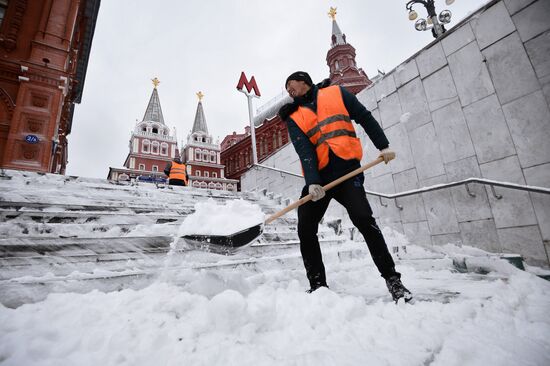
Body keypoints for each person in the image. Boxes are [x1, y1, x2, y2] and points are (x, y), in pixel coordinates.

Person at [278, 71, 412, 303]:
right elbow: (305, 151)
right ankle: (318, 285)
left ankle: (393, 280)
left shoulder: (336, 93)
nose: (289, 90)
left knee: (364, 220)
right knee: (305, 226)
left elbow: (364, 117)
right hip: (320, 178)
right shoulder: (294, 116)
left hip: (348, 171)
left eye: (291, 84)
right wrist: (312, 183)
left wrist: (383, 145)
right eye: (286, 88)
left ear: (304, 81)